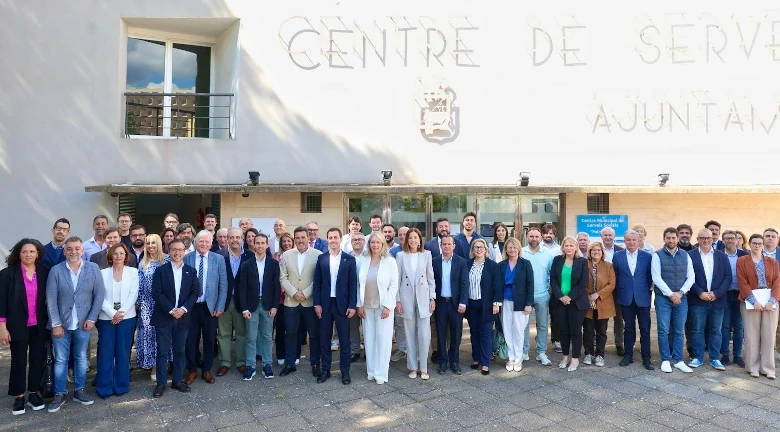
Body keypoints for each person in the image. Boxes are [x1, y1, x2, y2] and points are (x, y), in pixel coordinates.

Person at [46, 236, 105, 412]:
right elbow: (51, 299)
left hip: (83, 324)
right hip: (61, 325)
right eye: (69, 249)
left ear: (82, 250)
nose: (73, 252)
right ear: (64, 251)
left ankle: (80, 390)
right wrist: (56, 323)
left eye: (77, 248)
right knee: (61, 359)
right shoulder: (56, 270)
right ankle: (59, 393)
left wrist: (92, 318)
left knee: (81, 358)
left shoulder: (93, 268)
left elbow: (99, 295)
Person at [0, 239, 49, 415]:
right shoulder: (7, 274)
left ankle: (34, 393)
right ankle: (19, 396)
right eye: (24, 251)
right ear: (18, 254)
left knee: (37, 359)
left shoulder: (45, 272)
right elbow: (1, 302)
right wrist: (2, 327)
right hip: (17, 325)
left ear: (38, 254)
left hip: (39, 325)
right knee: (18, 360)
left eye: (32, 251)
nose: (28, 254)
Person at [151, 239, 200, 398]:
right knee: (162, 352)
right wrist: (172, 310)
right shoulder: (161, 270)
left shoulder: (191, 271)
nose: (177, 252)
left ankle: (177, 381)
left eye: (180, 249)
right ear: (169, 251)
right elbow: (156, 293)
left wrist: (183, 309)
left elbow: (195, 292)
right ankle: (161, 383)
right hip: (164, 317)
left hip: (183, 317)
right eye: (174, 249)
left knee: (180, 350)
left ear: (185, 251)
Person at [313, 228, 358, 384]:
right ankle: (325, 370)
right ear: (328, 239)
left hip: (343, 305)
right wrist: (317, 304)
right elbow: (317, 283)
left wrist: (352, 305)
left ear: (340, 239)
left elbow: (353, 284)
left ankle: (345, 372)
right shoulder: (321, 258)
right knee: (324, 340)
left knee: (344, 340)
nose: (333, 240)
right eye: (330, 237)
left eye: (335, 237)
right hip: (325, 305)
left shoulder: (349, 259)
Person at [183, 230, 228, 385]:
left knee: (209, 339)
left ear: (210, 243)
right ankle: (192, 369)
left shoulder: (218, 259)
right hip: (191, 307)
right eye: (201, 241)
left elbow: (223, 285)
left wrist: (220, 306)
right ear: (195, 242)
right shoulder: (187, 258)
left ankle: (206, 369)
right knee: (191, 340)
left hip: (210, 307)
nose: (203, 244)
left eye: (206, 241)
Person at [95, 244, 139, 398]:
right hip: (106, 317)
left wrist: (120, 314)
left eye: (121, 253)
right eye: (115, 253)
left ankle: (121, 385)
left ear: (126, 256)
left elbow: (133, 294)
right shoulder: (102, 273)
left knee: (123, 352)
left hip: (127, 317)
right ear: (110, 256)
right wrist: (113, 313)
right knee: (105, 352)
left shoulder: (133, 272)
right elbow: (99, 295)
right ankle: (104, 387)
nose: (118, 256)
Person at [279, 227, 323, 377]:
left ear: (308, 238)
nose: (300, 240)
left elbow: (318, 279)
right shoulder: (286, 255)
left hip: (310, 301)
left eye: (303, 237)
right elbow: (283, 278)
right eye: (297, 238)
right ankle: (290, 363)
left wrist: (305, 293)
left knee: (314, 334)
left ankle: (315, 364)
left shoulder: (318, 255)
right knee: (290, 333)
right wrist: (294, 293)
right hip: (291, 301)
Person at [651, 227, 695, 374]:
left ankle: (678, 360)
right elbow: (656, 278)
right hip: (663, 299)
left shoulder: (685, 255)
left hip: (681, 298)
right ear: (664, 239)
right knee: (663, 330)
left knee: (679, 330)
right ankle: (665, 359)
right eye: (668, 238)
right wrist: (671, 294)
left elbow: (691, 276)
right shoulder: (657, 255)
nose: (671, 240)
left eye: (673, 238)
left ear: (677, 239)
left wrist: (680, 293)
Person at [357, 232, 399, 384]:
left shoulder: (390, 261)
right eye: (372, 242)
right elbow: (358, 284)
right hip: (366, 307)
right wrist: (359, 305)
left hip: (383, 307)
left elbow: (394, 285)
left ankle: (381, 373)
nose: (375, 245)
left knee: (383, 341)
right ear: (369, 244)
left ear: (382, 244)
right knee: (369, 340)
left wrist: (388, 306)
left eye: (378, 242)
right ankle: (371, 371)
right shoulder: (363, 260)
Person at [688, 228, 732, 371]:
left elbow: (728, 277)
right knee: (697, 330)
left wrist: (717, 293)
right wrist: (700, 292)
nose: (705, 240)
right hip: (698, 299)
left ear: (713, 239)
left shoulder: (722, 256)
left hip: (717, 300)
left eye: (708, 238)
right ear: (697, 239)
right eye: (702, 238)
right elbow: (688, 277)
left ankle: (714, 358)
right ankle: (698, 357)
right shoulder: (690, 256)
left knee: (716, 330)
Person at [737, 234, 780, 378]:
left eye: (759, 243)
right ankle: (753, 367)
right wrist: (753, 300)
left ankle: (768, 369)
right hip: (750, 301)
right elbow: (742, 282)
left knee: (769, 336)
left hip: (770, 302)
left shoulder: (772, 262)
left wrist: (772, 301)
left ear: (763, 245)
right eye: (754, 243)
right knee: (751, 335)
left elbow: (777, 282)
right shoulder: (742, 261)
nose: (757, 245)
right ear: (749, 244)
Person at [395, 227, 436, 380]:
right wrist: (397, 300)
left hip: (423, 297)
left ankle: (423, 367)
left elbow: (431, 278)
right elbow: (397, 280)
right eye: (410, 237)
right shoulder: (400, 256)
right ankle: (412, 366)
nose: (413, 240)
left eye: (415, 237)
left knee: (424, 335)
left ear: (420, 240)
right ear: (406, 240)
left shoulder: (426, 255)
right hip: (406, 297)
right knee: (409, 334)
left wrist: (432, 298)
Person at [238, 233, 280, 380]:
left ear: (267, 245)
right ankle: (250, 366)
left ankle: (267, 365)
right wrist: (244, 308)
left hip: (268, 305)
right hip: (251, 306)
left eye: (263, 243)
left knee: (267, 337)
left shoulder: (273, 264)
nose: (260, 246)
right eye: (258, 243)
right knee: (251, 337)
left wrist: (275, 306)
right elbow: (242, 288)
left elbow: (276, 287)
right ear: (253, 244)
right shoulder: (246, 264)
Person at [613, 230, 654, 370]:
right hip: (626, 298)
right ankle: (628, 355)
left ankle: (646, 358)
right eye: (628, 240)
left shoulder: (647, 256)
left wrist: (644, 290)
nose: (631, 242)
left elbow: (650, 277)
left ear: (638, 241)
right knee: (628, 328)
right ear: (624, 241)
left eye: (634, 240)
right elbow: (616, 276)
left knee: (645, 329)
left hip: (643, 297)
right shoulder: (617, 256)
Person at [216, 228, 252, 377]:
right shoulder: (219, 255)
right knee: (223, 334)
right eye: (232, 237)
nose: (235, 240)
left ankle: (241, 362)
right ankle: (224, 363)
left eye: (238, 237)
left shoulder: (250, 256)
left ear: (242, 238)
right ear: (227, 239)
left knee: (242, 333)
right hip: (223, 301)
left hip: (242, 302)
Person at [550, 236, 589, 372]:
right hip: (560, 301)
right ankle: (565, 356)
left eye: (571, 245)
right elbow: (553, 279)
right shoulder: (557, 260)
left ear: (576, 247)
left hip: (576, 302)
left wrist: (570, 297)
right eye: (566, 245)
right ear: (563, 247)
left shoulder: (582, 261)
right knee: (563, 330)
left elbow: (583, 282)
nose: (568, 248)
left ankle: (575, 358)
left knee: (575, 330)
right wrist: (560, 296)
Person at [432, 234, 468, 375]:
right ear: (440, 246)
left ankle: (454, 361)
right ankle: (442, 361)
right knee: (440, 334)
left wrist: (463, 303)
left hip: (456, 304)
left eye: (449, 244)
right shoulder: (434, 261)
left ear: (454, 246)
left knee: (456, 334)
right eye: (444, 244)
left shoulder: (461, 262)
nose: (447, 246)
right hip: (440, 303)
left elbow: (464, 284)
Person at [464, 238, 501, 375]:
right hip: (471, 304)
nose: (479, 249)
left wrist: (496, 303)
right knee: (474, 332)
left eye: (481, 247)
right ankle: (476, 358)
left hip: (487, 305)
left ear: (486, 250)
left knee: (485, 333)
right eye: (476, 247)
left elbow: (498, 285)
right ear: (472, 250)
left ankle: (485, 362)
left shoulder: (492, 265)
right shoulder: (467, 264)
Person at [135, 234, 170, 381]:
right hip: (147, 305)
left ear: (159, 244)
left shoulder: (167, 260)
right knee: (150, 336)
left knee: (163, 336)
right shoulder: (143, 262)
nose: (150, 246)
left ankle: (164, 365)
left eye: (153, 243)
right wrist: (138, 304)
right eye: (148, 243)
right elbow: (139, 285)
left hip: (164, 305)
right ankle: (154, 367)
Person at [499, 237, 534, 372]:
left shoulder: (526, 264)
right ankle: (511, 357)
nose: (512, 250)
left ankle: (518, 358)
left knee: (518, 331)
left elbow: (530, 285)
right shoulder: (501, 265)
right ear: (506, 250)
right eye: (510, 247)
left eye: (515, 247)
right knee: (507, 330)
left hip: (521, 302)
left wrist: (529, 303)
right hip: (505, 301)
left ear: (519, 249)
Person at [522, 227, 554, 366]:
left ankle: (541, 352)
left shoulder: (548, 254)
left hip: (542, 295)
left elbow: (552, 274)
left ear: (541, 237)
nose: (534, 239)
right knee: (524, 325)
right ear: (527, 237)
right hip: (525, 296)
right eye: (531, 236)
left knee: (542, 325)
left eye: (536, 236)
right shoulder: (521, 252)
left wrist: (550, 290)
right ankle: (524, 351)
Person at [582, 241, 616, 367]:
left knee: (601, 330)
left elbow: (611, 284)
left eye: (598, 250)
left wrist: (597, 295)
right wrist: (589, 297)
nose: (596, 252)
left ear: (602, 252)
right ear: (590, 252)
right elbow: (580, 282)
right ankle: (588, 353)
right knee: (588, 330)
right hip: (587, 302)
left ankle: (600, 355)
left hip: (603, 302)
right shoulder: (584, 264)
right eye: (593, 250)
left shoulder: (609, 266)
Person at [721, 230, 749, 367]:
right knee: (725, 325)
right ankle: (725, 355)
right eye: (727, 238)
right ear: (723, 241)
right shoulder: (719, 255)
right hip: (724, 294)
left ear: (737, 240)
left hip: (740, 295)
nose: (730, 240)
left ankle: (737, 355)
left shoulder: (744, 255)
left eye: (732, 238)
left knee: (739, 326)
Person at [600, 226, 624, 356]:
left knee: (619, 318)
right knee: (601, 318)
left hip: (617, 290)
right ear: (601, 236)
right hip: (601, 290)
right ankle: (599, 344)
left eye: (610, 235)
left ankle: (619, 344)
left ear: (614, 236)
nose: (608, 237)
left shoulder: (621, 251)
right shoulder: (597, 249)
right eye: (605, 235)